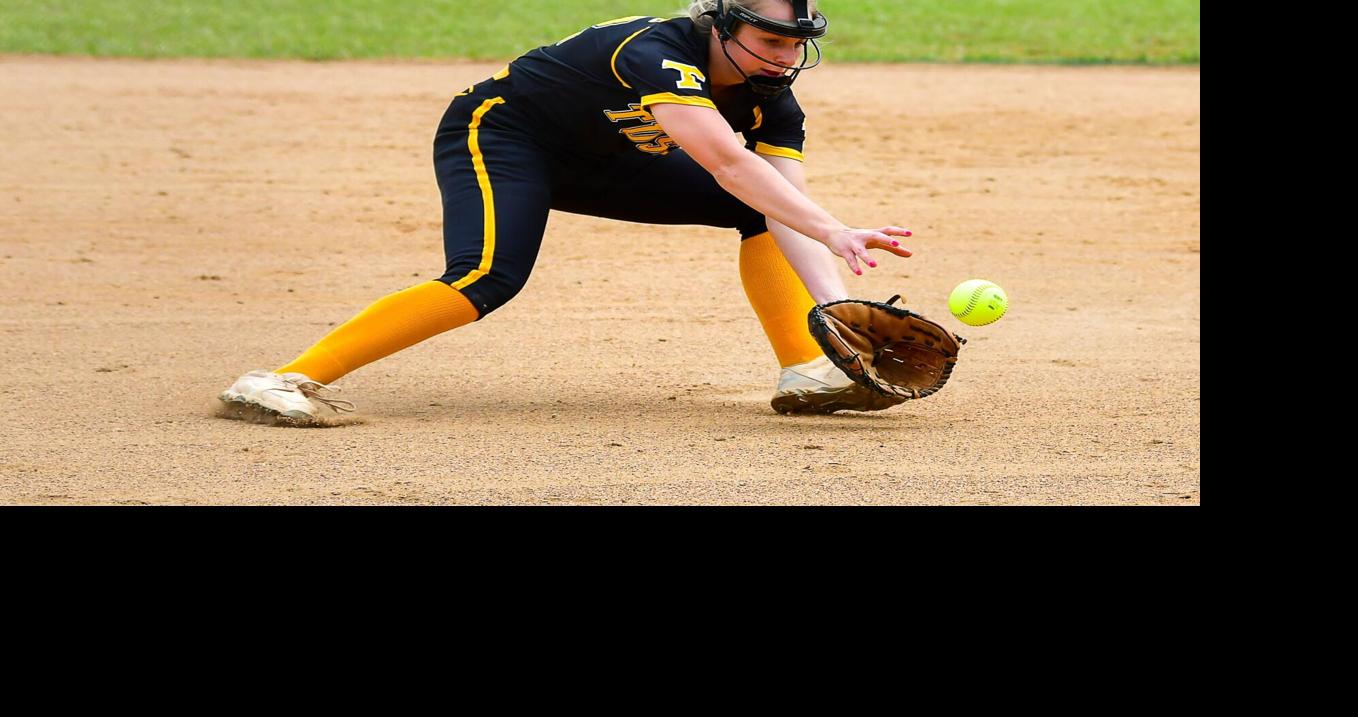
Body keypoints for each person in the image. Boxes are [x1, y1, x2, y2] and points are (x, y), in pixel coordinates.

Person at [217, 0, 913, 425]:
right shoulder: (654, 53)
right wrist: (834, 227)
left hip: (605, 155)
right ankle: (279, 380)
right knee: (487, 274)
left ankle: (804, 367)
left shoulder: (772, 99)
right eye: (769, 41)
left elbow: (777, 200)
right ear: (717, 26)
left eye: (795, 43)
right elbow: (729, 166)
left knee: (760, 213)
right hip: (502, 134)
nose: (785, 57)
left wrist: (838, 313)